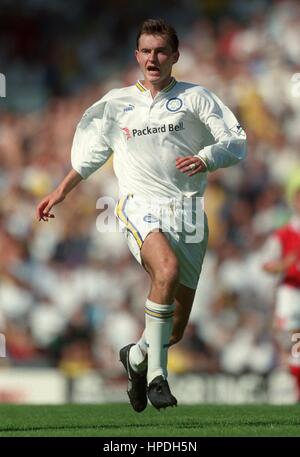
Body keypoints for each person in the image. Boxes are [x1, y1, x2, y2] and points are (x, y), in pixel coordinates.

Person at [36, 18, 247, 411]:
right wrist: (59, 191)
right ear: (136, 56)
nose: (153, 58)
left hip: (188, 215)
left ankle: (135, 358)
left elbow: (235, 142)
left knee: (174, 329)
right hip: (139, 206)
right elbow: (90, 157)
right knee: (164, 269)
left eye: (161, 51)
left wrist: (206, 159)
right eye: (146, 51)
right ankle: (157, 378)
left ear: (175, 56)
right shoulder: (117, 103)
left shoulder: (196, 97)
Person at [262, 176, 300, 402]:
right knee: (293, 338)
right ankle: (295, 388)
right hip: (291, 292)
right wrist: (284, 266)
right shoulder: (284, 233)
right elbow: (267, 265)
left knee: (296, 342)